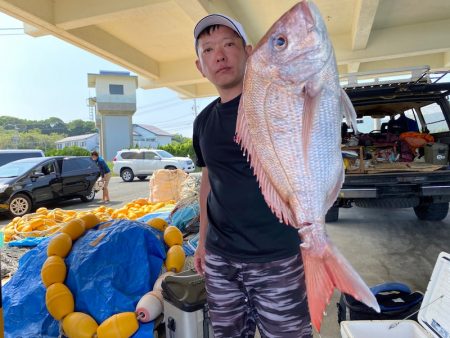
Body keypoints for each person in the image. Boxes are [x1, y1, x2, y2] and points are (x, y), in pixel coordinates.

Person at [192, 14, 312, 338]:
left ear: (248, 52)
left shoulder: (275, 105)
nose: (219, 55)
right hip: (220, 261)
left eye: (229, 44)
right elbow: (208, 180)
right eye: (208, 50)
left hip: (277, 258)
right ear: (200, 65)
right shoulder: (203, 121)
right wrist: (202, 242)